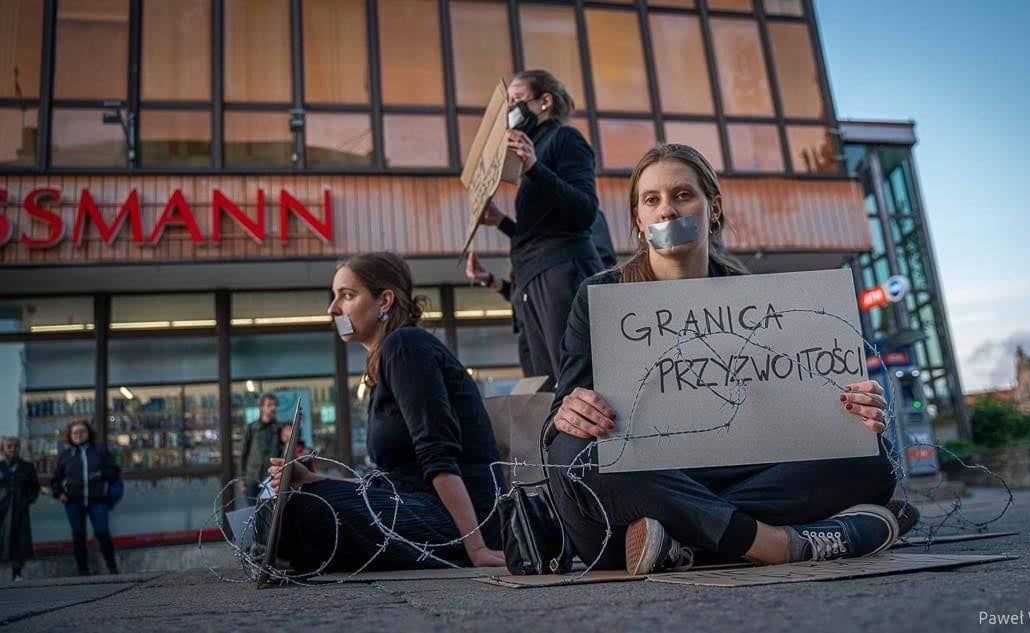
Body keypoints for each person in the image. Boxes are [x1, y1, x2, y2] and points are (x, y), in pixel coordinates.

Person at [545, 144, 901, 575]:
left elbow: (793, 409)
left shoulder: (754, 300)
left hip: (720, 483)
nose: (667, 212)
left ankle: (683, 541)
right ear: (638, 220)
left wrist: (851, 407)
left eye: (682, 195)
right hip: (641, 482)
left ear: (713, 208)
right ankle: (778, 542)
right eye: (651, 200)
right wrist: (570, 411)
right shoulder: (598, 298)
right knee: (574, 455)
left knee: (868, 457)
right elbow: (557, 423)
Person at [267, 252, 506, 572]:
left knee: (301, 512)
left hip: (455, 521)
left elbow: (437, 453)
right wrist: (313, 478)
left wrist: (477, 547)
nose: (333, 309)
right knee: (279, 511)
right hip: (415, 507)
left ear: (384, 301)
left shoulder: (406, 346)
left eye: (347, 295)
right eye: (334, 297)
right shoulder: (384, 364)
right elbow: (388, 485)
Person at [476, 69, 608, 387]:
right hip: (534, 275)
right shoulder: (532, 157)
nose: (510, 110)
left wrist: (535, 168)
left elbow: (585, 210)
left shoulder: (565, 139)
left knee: (574, 379)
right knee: (546, 384)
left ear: (544, 101)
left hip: (561, 272)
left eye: (517, 100)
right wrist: (502, 222)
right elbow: (543, 228)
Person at [50, 420, 120, 575]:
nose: (79, 435)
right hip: (73, 501)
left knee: (102, 532)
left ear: (88, 433)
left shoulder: (100, 451)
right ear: (70, 436)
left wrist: (101, 475)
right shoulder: (66, 455)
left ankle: (112, 567)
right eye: (75, 433)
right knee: (78, 534)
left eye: (82, 432)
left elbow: (114, 472)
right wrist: (59, 493)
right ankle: (83, 571)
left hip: (98, 500)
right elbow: (56, 479)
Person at [0, 437, 39, 581]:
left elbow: (35, 487)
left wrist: (27, 500)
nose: (12, 449)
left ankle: (17, 572)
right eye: (9, 446)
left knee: (19, 540)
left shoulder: (27, 466)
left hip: (20, 509)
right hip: (2, 510)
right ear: (3, 448)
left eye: (15, 446)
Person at [240, 393, 282, 503]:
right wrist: (242, 480)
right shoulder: (252, 428)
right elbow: (243, 454)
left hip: (270, 479)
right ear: (262, 407)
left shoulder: (279, 428)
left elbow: (283, 453)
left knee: (269, 513)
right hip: (252, 478)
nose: (272, 408)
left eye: (274, 405)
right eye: (269, 405)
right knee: (252, 512)